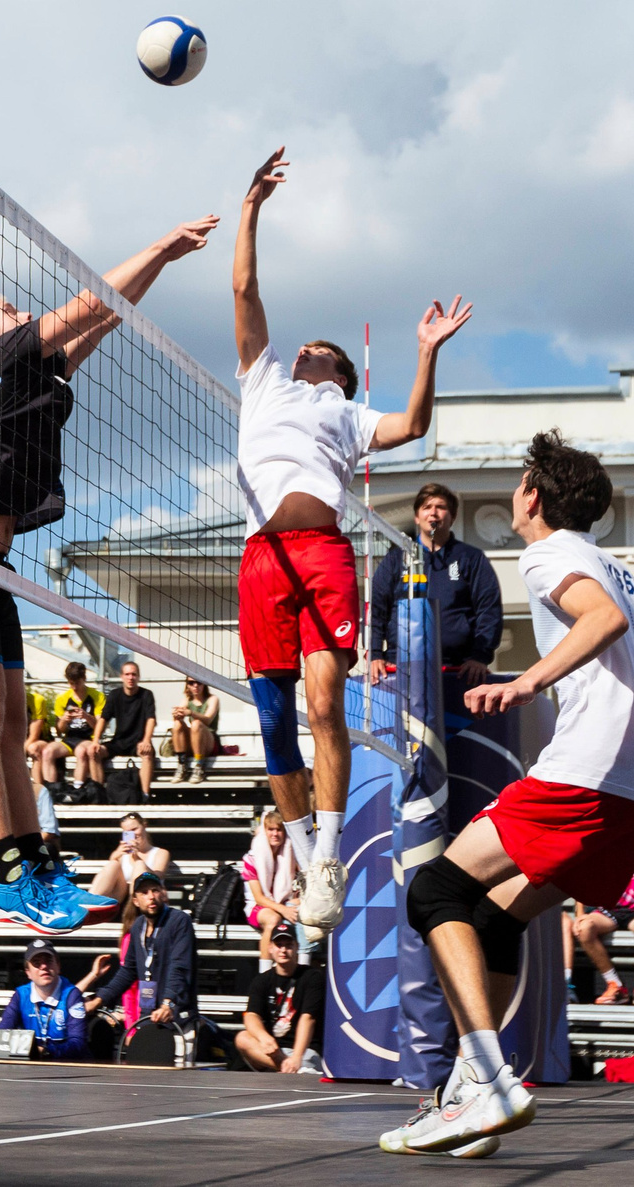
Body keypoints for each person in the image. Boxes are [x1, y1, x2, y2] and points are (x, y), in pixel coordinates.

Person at [379, 432, 634, 1157]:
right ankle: (473, 1087)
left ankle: (489, 1078)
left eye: (519, 481)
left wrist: (529, 681)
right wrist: (633, 733)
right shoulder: (624, 571)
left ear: (533, 495)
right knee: (497, 918)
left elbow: (602, 621)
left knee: (433, 889)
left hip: (587, 779)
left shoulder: (548, 553)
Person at [0, 214, 216, 935]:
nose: (18, 311)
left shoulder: (30, 374)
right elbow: (86, 299)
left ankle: (38, 866)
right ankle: (4, 872)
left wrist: (162, 265)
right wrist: (162, 242)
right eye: (6, 309)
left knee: (12, 723)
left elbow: (106, 313)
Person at [234, 147, 470, 933]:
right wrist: (251, 208)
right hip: (261, 556)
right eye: (303, 349)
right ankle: (302, 859)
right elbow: (244, 288)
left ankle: (329, 854)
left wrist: (426, 354)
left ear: (337, 371)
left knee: (324, 700)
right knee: (271, 720)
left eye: (319, 352)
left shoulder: (345, 411)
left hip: (321, 551)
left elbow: (413, 424)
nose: (304, 351)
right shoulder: (264, 379)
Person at [367, 482, 505, 716]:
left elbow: (489, 611)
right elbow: (377, 610)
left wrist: (480, 658)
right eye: (427, 507)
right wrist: (375, 655)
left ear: (452, 517)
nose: (433, 512)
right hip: (400, 672)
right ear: (417, 517)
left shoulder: (471, 558)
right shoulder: (395, 560)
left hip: (457, 672)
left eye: (440, 507)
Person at [91, 869, 198, 1058]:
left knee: (180, 1081)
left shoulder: (179, 921)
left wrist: (168, 1003)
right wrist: (99, 999)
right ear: (135, 900)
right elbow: (128, 971)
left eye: (155, 890)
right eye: (144, 892)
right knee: (146, 1080)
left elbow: (179, 967)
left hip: (176, 1017)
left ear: (163, 893)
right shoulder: (138, 927)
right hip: (148, 1017)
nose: (151, 897)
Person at [570, 839, 634, 1003]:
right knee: (584, 929)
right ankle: (615, 985)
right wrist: (581, 911)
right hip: (608, 909)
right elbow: (584, 875)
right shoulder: (604, 840)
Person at [237, 924, 326, 1075]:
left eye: (288, 945)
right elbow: (251, 1015)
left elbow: (308, 1019)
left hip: (304, 1050)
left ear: (297, 947)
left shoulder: (312, 977)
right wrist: (263, 1037)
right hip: (275, 1052)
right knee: (242, 1038)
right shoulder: (262, 980)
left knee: (304, 1061)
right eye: (279, 945)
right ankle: (287, 1068)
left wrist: (297, 1057)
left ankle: (293, 1067)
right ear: (270, 948)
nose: (283, 950)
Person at [0, 939, 101, 1060]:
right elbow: (2, 1034)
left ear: (58, 966)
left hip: (68, 1066)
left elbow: (78, 1043)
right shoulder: (20, 995)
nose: (43, 967)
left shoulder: (72, 995)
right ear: (28, 972)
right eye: (36, 963)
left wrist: (46, 1051)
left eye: (48, 961)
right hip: (31, 1066)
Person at [46, 660, 108, 801]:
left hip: (88, 738)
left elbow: (100, 726)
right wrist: (64, 720)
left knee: (81, 751)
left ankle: (77, 791)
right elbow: (60, 730)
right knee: (47, 751)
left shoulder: (96, 696)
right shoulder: (62, 698)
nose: (74, 687)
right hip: (69, 739)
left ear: (84, 679)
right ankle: (51, 792)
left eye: (77, 683)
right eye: (70, 683)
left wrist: (86, 716)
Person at [241, 809, 304, 943]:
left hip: (284, 902)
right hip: (258, 907)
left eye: (279, 829)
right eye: (271, 829)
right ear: (265, 831)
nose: (275, 834)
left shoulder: (291, 855)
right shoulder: (251, 859)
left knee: (303, 912)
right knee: (273, 919)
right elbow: (259, 898)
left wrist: (295, 902)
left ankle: (302, 961)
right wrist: (284, 910)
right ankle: (265, 964)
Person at [87, 811, 173, 905]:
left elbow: (157, 877)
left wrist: (137, 859)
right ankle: (89, 903)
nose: (132, 835)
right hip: (121, 897)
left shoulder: (161, 853)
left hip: (146, 899)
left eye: (134, 829)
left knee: (139, 866)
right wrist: (116, 856)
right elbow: (109, 876)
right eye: (127, 832)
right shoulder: (122, 853)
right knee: (113, 864)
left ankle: (135, 908)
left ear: (144, 826)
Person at [101, 659, 160, 794]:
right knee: (94, 753)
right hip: (119, 742)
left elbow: (151, 719)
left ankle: (145, 796)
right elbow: (103, 719)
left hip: (138, 743)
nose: (130, 678)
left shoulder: (146, 695)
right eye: (127, 674)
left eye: (134, 674)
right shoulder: (114, 695)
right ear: (121, 676)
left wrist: (146, 740)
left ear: (138, 676)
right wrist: (95, 742)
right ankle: (99, 795)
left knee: (147, 753)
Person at [169, 677, 221, 783]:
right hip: (193, 742)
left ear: (204, 684)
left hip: (208, 741)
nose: (195, 685)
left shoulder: (212, 699)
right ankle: (181, 765)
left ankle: (199, 766)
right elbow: (178, 721)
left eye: (199, 682)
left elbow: (208, 720)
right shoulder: (187, 700)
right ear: (187, 685)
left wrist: (191, 713)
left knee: (196, 724)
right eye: (191, 683)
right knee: (178, 724)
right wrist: (176, 715)